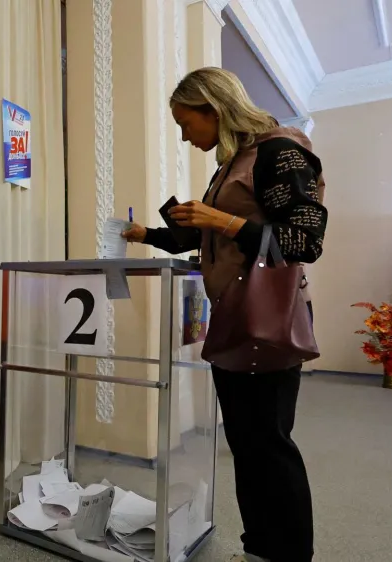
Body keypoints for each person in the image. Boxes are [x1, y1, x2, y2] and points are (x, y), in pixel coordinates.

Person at [122, 67, 326, 562]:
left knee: (270, 447)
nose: (185, 135)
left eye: (186, 123)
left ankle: (289, 555)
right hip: (235, 320)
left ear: (213, 110)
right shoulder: (236, 161)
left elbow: (303, 241)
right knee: (247, 445)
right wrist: (148, 235)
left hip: (268, 325)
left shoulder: (281, 152)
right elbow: (209, 237)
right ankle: (259, 548)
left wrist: (222, 219)